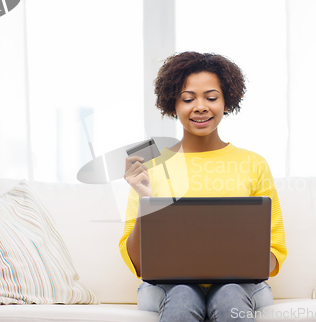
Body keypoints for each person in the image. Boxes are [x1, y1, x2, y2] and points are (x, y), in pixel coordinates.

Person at [119, 51, 287, 322]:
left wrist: (242, 261)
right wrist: (145, 200)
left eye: (211, 97)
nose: (200, 106)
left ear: (226, 102)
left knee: (228, 293)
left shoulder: (253, 163)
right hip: (169, 288)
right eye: (188, 99)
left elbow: (275, 253)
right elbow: (138, 264)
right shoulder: (151, 166)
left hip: (242, 286)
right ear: (173, 104)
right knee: (184, 294)